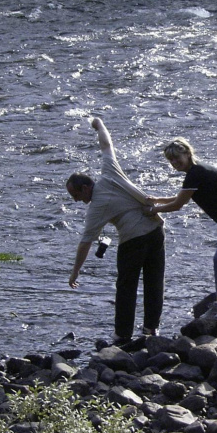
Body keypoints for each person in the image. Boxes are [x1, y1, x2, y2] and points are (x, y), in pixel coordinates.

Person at [66, 118, 165, 344]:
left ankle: (122, 334)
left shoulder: (97, 207)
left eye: (77, 195)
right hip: (156, 231)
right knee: (154, 281)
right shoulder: (110, 172)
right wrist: (100, 124)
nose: (77, 201)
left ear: (85, 187)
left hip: (133, 242)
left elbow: (85, 243)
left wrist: (75, 272)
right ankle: (151, 329)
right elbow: (106, 145)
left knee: (126, 287)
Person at [145, 138, 217, 321]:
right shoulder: (195, 173)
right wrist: (158, 199)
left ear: (188, 153)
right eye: (170, 160)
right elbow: (182, 197)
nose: (174, 163)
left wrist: (153, 210)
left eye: (177, 158)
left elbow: (178, 205)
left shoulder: (195, 173)